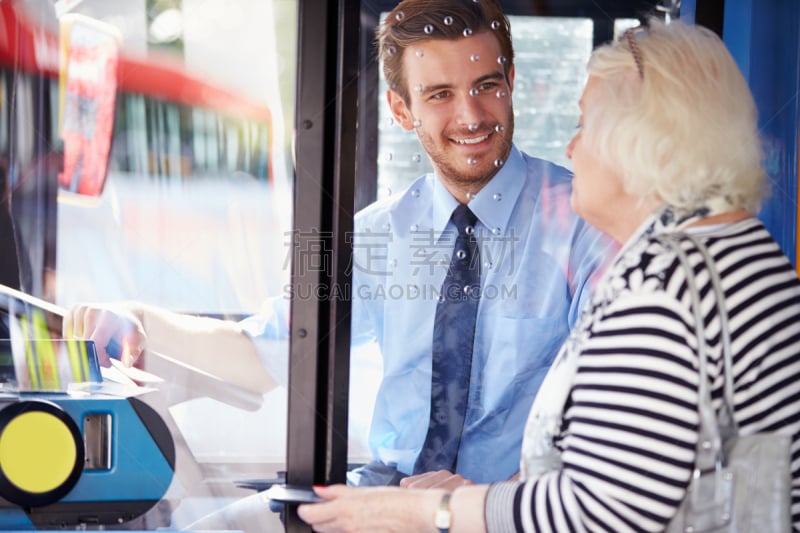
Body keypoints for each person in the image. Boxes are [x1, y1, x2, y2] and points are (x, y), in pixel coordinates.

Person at [63, 0, 613, 487]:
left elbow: (607, 413)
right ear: (401, 110)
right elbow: (273, 348)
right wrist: (141, 319)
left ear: (511, 80)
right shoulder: (377, 234)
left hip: (515, 506)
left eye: (486, 85)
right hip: (386, 497)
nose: (470, 115)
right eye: (440, 94)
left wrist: (485, 505)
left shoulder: (587, 220)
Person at [296, 16, 800, 532]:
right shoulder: (726, 256)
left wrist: (431, 515)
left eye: (584, 126)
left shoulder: (665, 288)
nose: (570, 149)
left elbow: (602, 510)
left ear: (644, 142)